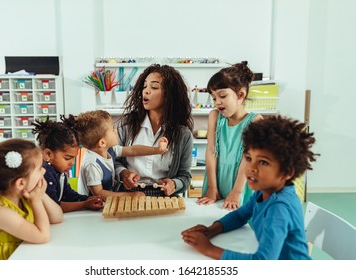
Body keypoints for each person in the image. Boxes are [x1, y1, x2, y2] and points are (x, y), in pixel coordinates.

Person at [182, 115, 319, 260]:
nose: (251, 168)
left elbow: (262, 261)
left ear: (287, 172)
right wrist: (211, 230)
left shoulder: (279, 207)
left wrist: (209, 249)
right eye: (248, 158)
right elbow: (240, 216)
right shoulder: (264, 192)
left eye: (263, 162)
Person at [0, 139, 63, 260]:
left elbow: (57, 217)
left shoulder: (23, 197)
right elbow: (43, 236)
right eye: (40, 168)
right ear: (20, 183)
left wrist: (40, 195)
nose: (44, 171)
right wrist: (36, 201)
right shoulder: (0, 213)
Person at [116, 64, 193, 197]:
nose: (146, 91)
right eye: (144, 86)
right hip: (128, 195)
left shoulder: (183, 134)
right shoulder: (126, 124)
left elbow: (185, 176)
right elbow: (112, 159)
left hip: (164, 197)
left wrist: (174, 184)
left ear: (170, 94)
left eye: (154, 87)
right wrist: (124, 174)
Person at [197, 61, 263, 209]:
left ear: (240, 95)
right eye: (214, 98)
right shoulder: (214, 116)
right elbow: (211, 151)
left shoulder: (255, 121)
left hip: (241, 183)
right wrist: (212, 188)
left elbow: (249, 159)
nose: (217, 102)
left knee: (239, 225)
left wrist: (236, 192)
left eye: (222, 95)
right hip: (216, 181)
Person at [74, 110, 169, 200]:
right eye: (113, 129)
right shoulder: (92, 164)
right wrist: (131, 195)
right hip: (88, 211)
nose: (116, 130)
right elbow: (99, 193)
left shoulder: (110, 149)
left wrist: (157, 150)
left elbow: (133, 150)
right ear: (102, 143)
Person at [32, 116, 104, 213]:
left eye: (74, 158)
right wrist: (84, 204)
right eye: (67, 158)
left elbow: (68, 195)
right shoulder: (46, 173)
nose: (72, 163)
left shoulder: (59, 172)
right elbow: (54, 206)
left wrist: (89, 199)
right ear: (48, 154)